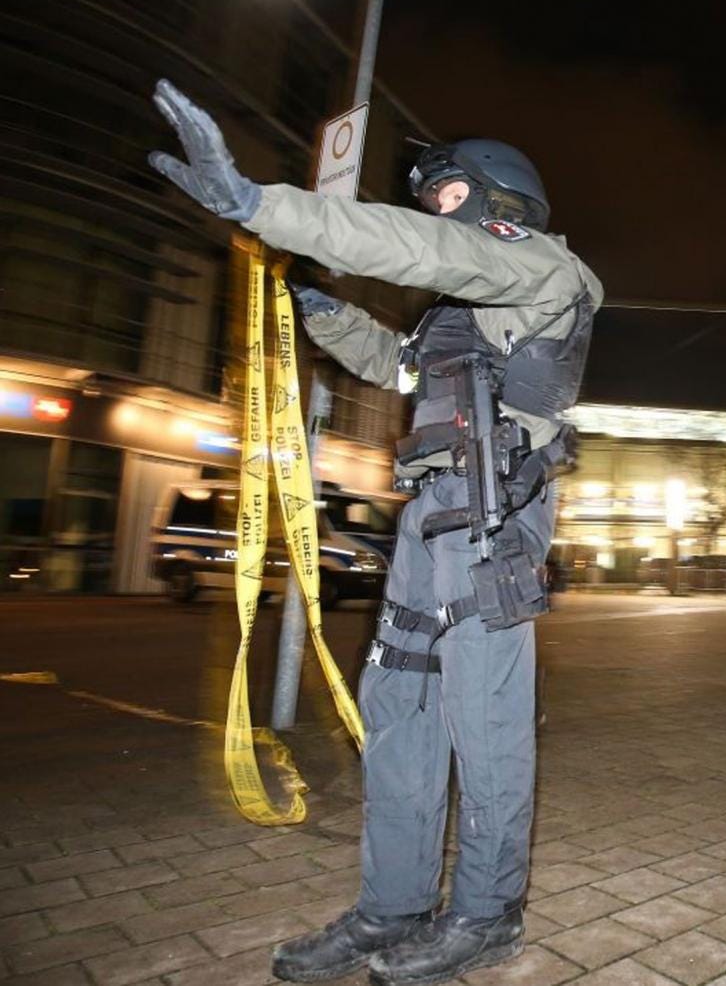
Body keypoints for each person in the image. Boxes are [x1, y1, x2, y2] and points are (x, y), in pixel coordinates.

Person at [148, 80, 602, 985]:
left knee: (487, 724)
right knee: (400, 716)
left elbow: (423, 247)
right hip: (428, 520)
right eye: (433, 198)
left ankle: (486, 914)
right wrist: (320, 306)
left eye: (449, 193)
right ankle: (391, 907)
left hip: (494, 515)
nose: (436, 209)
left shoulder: (543, 269)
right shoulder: (458, 314)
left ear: (498, 199)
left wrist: (263, 206)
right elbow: (391, 363)